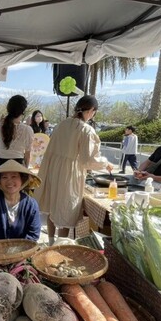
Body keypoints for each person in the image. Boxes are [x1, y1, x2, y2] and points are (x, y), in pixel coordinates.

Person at [34, 95, 113, 243]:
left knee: (52, 207)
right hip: (69, 175)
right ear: (91, 110)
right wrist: (105, 163)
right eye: (94, 112)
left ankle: (51, 242)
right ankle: (61, 246)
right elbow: (88, 160)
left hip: (52, 170)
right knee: (65, 209)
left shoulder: (62, 124)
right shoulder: (85, 130)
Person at [0, 95, 34, 168]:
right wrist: (25, 170)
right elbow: (27, 154)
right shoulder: (27, 130)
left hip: (0, 165)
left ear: (8, 108)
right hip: (18, 166)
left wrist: (0, 121)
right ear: (23, 110)